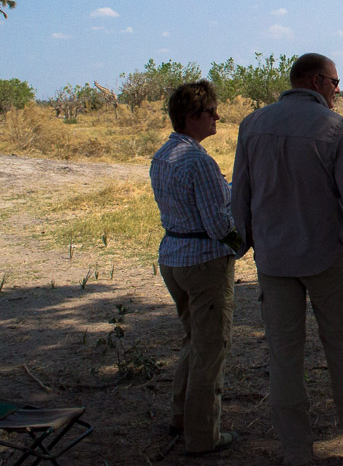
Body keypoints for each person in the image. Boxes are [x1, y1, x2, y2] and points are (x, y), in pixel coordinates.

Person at [231, 53, 343, 466]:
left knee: (283, 355)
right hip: (328, 256)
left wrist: (243, 243)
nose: (338, 90)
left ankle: (296, 452)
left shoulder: (252, 125)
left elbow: (239, 194)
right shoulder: (334, 127)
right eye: (335, 82)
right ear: (316, 81)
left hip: (274, 260)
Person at [151, 80, 242, 456]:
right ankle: (204, 436)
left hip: (173, 257)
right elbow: (219, 225)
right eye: (210, 112)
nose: (217, 116)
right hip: (204, 262)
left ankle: (180, 417)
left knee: (194, 341)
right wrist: (244, 245)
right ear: (191, 117)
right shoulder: (199, 162)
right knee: (211, 349)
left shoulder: (163, 155)